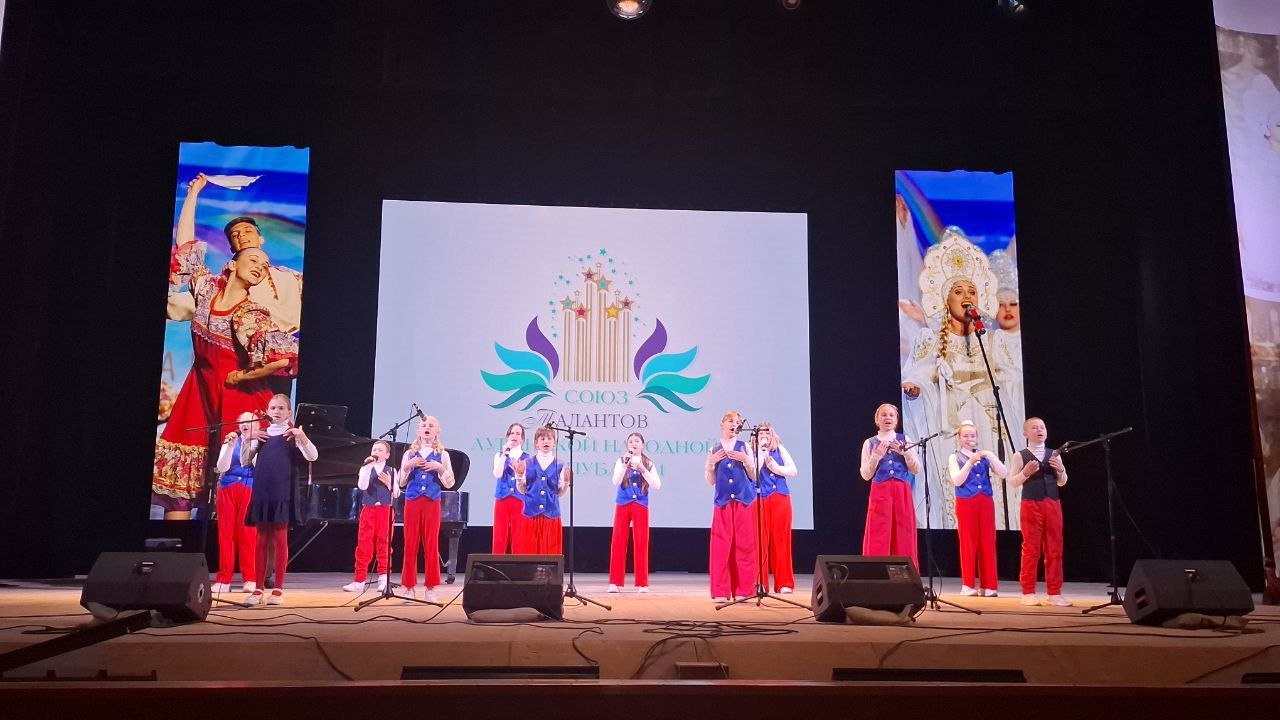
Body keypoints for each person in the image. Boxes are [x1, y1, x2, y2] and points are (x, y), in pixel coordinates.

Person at [153, 245, 298, 519]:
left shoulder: (249, 315)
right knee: (181, 492)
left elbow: (283, 358)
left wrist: (242, 375)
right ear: (232, 265)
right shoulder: (206, 291)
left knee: (232, 490)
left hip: (237, 401)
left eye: (264, 265)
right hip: (198, 393)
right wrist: (188, 211)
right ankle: (178, 545)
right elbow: (185, 249)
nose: (260, 267)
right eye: (253, 260)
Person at [901, 227, 1019, 530]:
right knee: (952, 491)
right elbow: (917, 375)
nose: (966, 297)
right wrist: (917, 389)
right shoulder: (929, 340)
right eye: (958, 291)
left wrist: (1001, 382)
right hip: (949, 427)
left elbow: (1014, 381)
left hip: (988, 426)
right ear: (945, 300)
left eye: (972, 291)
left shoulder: (992, 341)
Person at [167, 172, 304, 334]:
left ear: (261, 239)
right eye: (234, 235)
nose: (241, 235)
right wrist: (193, 194)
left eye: (248, 231)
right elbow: (185, 250)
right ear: (231, 248)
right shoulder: (216, 290)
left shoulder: (290, 277)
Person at [242, 393, 317, 606]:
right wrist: (248, 440)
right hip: (262, 490)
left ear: (289, 412)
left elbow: (312, 456)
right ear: (267, 411)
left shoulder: (292, 434)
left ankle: (278, 589)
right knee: (261, 538)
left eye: (281, 408)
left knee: (280, 537)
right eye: (273, 408)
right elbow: (246, 461)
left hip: (283, 490)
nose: (276, 411)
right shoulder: (262, 435)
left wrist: (302, 437)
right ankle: (258, 588)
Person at [1008, 417, 1071, 607]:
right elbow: (1012, 482)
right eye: (1034, 428)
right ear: (1026, 433)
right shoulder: (1020, 455)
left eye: (1042, 427)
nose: (1039, 430)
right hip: (1031, 504)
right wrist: (1025, 473)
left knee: (1054, 549)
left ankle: (1054, 593)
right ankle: (1028, 592)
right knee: (1031, 548)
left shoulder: (1054, 454)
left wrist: (1061, 470)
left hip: (1052, 504)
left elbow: (1062, 482)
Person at [398, 416, 455, 603]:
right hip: (413, 501)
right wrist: (407, 467)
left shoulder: (443, 455)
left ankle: (431, 588)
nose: (427, 428)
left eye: (431, 426)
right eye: (423, 425)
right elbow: (400, 482)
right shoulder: (409, 453)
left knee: (431, 544)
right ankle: (408, 587)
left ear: (437, 431)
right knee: (410, 543)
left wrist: (440, 468)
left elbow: (450, 483)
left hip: (432, 502)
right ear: (418, 430)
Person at [948, 420, 1006, 597]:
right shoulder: (955, 457)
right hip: (966, 501)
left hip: (985, 501)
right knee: (968, 542)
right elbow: (957, 480)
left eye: (972, 435)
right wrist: (969, 462)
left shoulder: (984, 456)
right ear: (959, 438)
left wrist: (991, 456)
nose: (969, 439)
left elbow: (1003, 473)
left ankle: (989, 585)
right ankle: (967, 584)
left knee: (987, 542)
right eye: (965, 436)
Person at [860, 404, 921, 569]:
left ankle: (905, 573)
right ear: (877, 419)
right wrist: (875, 457)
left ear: (896, 420)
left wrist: (905, 453)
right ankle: (876, 571)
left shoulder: (905, 439)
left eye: (891, 415)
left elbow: (916, 469)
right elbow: (865, 475)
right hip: (880, 491)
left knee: (904, 531)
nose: (888, 418)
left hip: (902, 491)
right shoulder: (870, 443)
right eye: (884, 415)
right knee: (879, 532)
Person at [705, 410, 758, 602]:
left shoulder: (745, 447)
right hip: (723, 503)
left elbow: (754, 476)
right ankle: (720, 591)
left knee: (745, 546)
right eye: (730, 421)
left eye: (737, 422)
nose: (734, 424)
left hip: (744, 501)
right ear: (722, 424)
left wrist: (746, 460)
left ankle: (744, 590)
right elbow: (710, 481)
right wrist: (711, 464)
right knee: (721, 548)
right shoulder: (714, 449)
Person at [211, 411, 260, 593]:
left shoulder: (259, 443)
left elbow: (257, 466)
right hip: (227, 489)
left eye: (250, 422)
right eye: (242, 422)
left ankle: (251, 578)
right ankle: (224, 579)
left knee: (248, 534)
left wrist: (251, 442)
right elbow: (222, 467)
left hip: (249, 489)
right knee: (226, 534)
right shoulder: (231, 440)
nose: (245, 425)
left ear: (257, 425)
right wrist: (229, 446)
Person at [342, 440, 400, 593]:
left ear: (387, 455)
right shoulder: (365, 468)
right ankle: (359, 581)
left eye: (380, 450)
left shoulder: (391, 470)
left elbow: (396, 493)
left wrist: (389, 483)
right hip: (369, 510)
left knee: (384, 544)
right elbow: (362, 486)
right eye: (374, 449)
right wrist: (366, 468)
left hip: (385, 510)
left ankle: (383, 579)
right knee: (364, 544)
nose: (376, 452)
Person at [608, 432, 662, 593]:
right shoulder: (621, 461)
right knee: (618, 541)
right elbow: (615, 481)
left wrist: (643, 470)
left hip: (640, 504)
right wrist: (624, 465)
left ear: (643, 445)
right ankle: (615, 582)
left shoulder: (648, 463)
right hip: (623, 503)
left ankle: (642, 583)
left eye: (637, 441)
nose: (634, 444)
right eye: (631, 441)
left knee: (641, 542)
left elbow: (657, 485)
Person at [755, 422, 798, 594]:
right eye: (761, 433)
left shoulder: (780, 449)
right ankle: (760, 583)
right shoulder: (752, 452)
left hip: (780, 497)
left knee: (781, 541)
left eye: (767, 433)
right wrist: (761, 452)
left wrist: (775, 468)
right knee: (760, 542)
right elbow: (752, 471)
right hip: (760, 499)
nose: (764, 436)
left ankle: (784, 582)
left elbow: (793, 470)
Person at [515, 426, 571, 554]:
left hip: (551, 515)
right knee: (529, 552)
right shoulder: (527, 463)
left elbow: (560, 493)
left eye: (549, 439)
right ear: (536, 443)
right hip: (531, 514)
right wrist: (519, 477)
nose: (546, 441)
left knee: (550, 554)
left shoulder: (560, 465)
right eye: (542, 439)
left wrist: (566, 483)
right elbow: (523, 490)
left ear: (554, 443)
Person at [492, 423, 530, 554]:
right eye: (512, 433)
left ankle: (518, 563)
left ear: (522, 439)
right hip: (502, 498)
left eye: (518, 434)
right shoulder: (500, 455)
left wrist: (519, 472)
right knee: (499, 534)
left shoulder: (527, 458)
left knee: (519, 534)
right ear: (507, 437)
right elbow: (497, 474)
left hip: (519, 499)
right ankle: (496, 562)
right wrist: (504, 454)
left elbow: (528, 481)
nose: (514, 436)